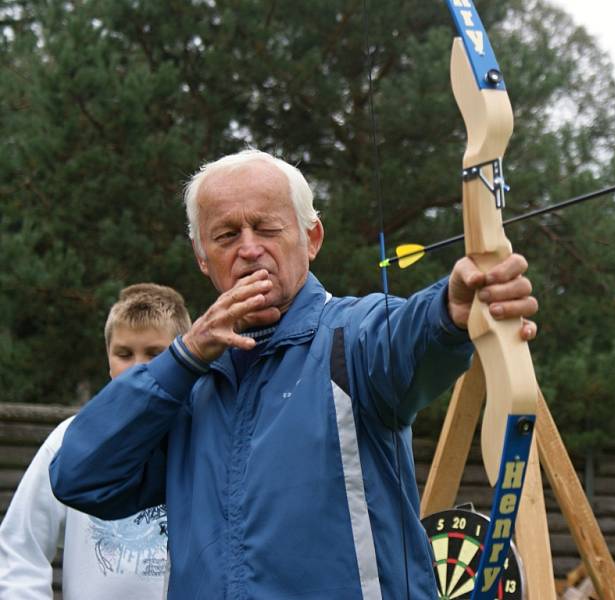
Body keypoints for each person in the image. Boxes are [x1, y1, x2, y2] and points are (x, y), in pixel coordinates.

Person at [49, 149, 539, 599]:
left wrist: (449, 311)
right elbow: (80, 476)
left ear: (312, 239)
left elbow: (408, 336)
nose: (249, 249)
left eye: (267, 229)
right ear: (202, 258)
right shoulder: (186, 384)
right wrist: (185, 357)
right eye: (225, 235)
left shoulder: (351, 339)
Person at [0, 284, 191, 600]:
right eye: (124, 354)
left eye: (156, 354)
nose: (138, 367)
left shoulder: (199, 437)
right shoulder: (70, 441)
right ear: (108, 359)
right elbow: (19, 546)